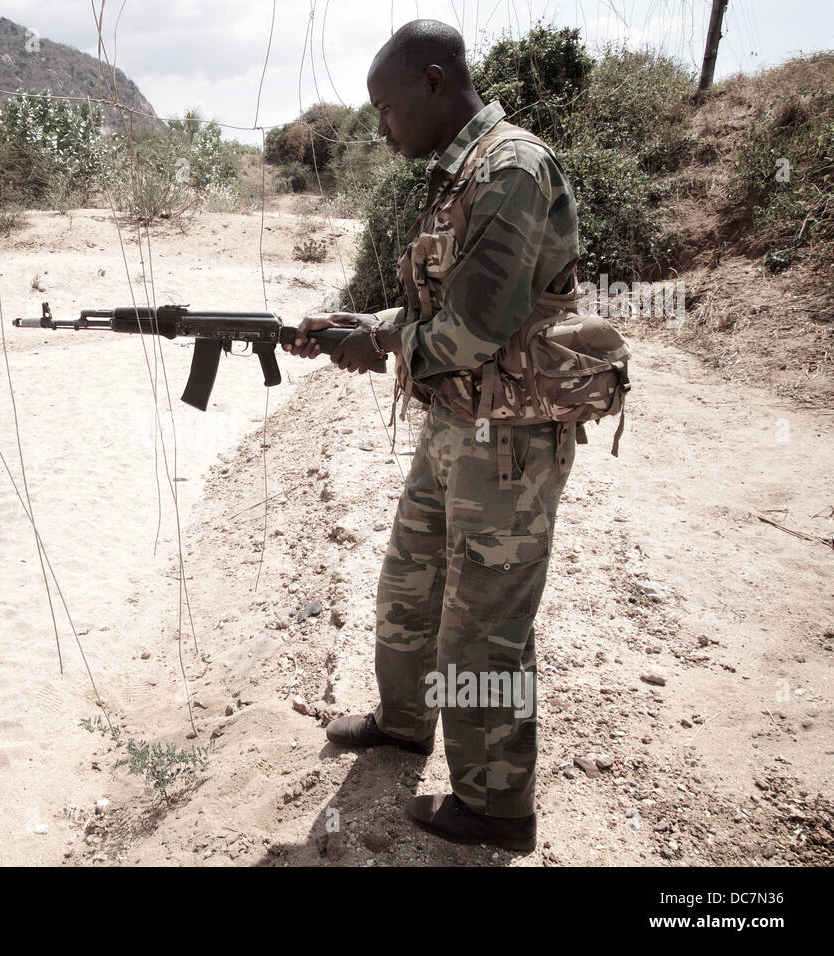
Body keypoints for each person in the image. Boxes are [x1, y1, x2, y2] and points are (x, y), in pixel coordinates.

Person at [283, 19, 600, 853]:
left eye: (386, 108)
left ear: (433, 81)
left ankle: (495, 807)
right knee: (411, 582)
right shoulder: (457, 173)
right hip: (457, 423)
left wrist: (380, 344)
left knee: (483, 630)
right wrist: (361, 322)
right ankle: (403, 723)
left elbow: (481, 328)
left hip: (511, 437)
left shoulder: (511, 168)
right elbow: (439, 311)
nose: (380, 127)